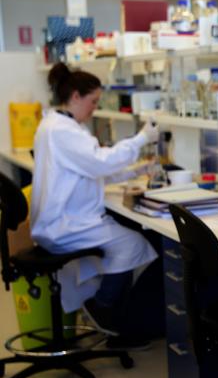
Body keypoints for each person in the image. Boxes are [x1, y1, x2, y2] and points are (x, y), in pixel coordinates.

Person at [30, 62, 159, 349]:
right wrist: (140, 139)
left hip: (62, 220)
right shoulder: (63, 131)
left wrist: (135, 171)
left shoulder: (54, 125)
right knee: (134, 244)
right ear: (75, 96)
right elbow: (100, 161)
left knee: (131, 240)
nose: (95, 108)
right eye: (93, 101)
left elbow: (91, 167)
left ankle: (115, 314)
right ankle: (104, 308)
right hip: (64, 223)